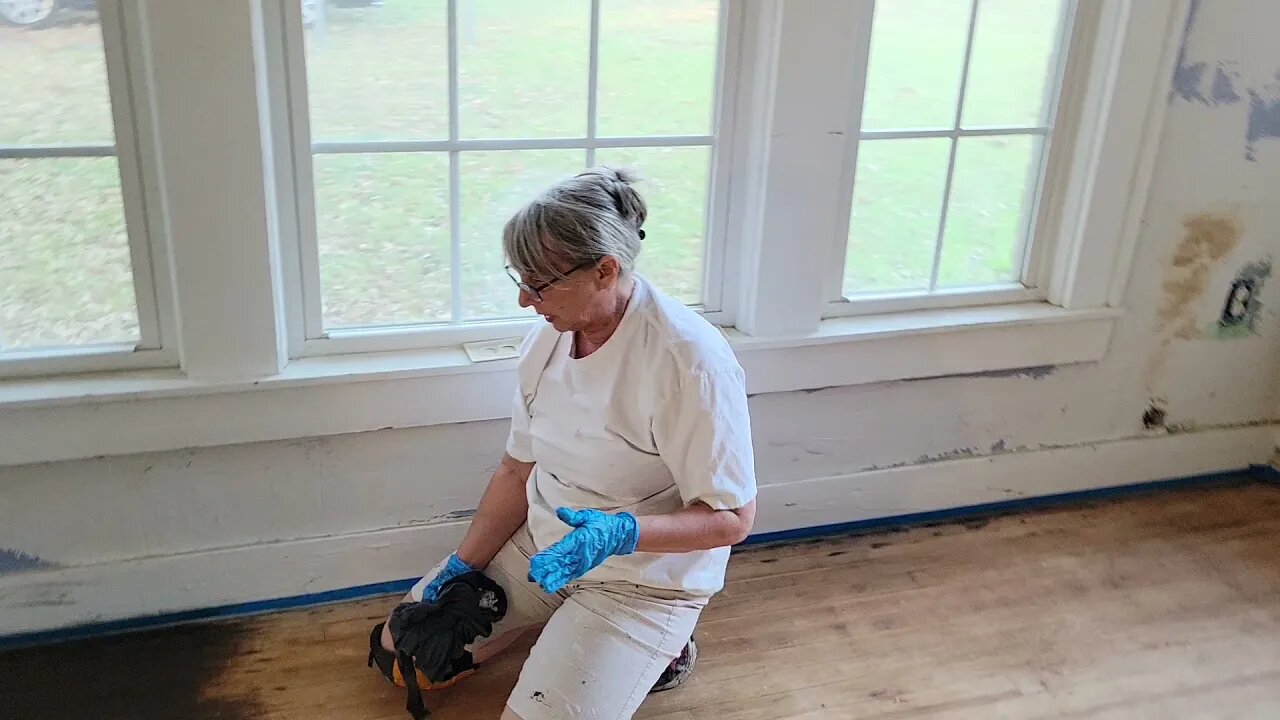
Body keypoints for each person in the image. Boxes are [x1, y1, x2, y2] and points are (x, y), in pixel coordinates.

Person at [372, 167, 758, 720]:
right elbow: (515, 470)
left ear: (605, 270)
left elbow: (733, 519)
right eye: (520, 279)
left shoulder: (689, 363)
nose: (527, 301)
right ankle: (559, 627)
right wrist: (464, 564)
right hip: (546, 544)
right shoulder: (547, 341)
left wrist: (622, 533)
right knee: (406, 652)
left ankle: (660, 648)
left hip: (643, 578)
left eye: (541, 283)